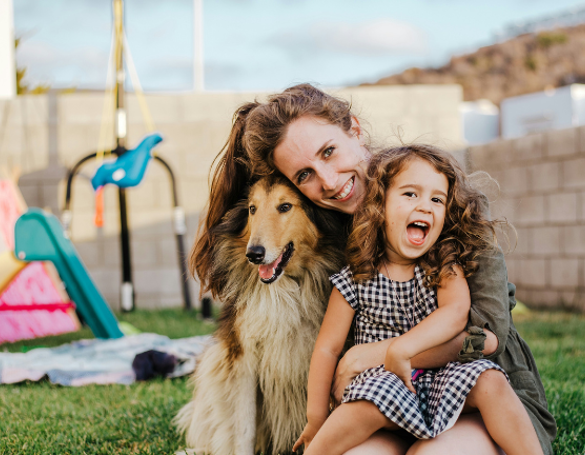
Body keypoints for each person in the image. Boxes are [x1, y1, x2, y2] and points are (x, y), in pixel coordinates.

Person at [191, 84, 556, 455]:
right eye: (305, 175)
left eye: (329, 152)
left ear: (354, 129)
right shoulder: (329, 237)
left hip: (481, 396)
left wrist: (374, 354)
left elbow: (485, 338)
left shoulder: (436, 202)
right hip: (384, 401)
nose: (329, 182)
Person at [291, 145, 544, 455]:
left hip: (443, 379)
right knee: (357, 409)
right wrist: (316, 416)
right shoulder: (355, 278)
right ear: (378, 206)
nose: (425, 206)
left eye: (436, 199)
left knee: (490, 380)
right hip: (382, 385)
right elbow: (327, 348)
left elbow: (456, 313)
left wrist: (403, 347)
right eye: (410, 194)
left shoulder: (443, 266)